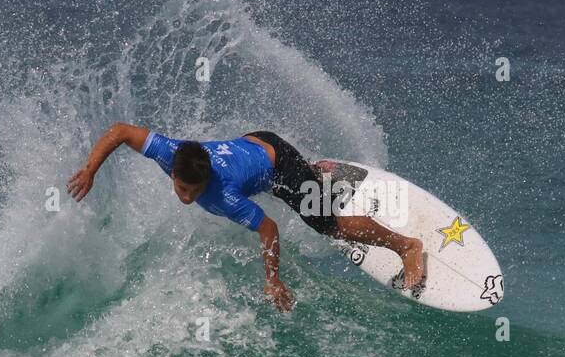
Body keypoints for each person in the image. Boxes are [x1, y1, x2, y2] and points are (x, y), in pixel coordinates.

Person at [67, 124, 425, 310]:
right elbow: (119, 131)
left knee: (327, 225)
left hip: (277, 164)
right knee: (290, 187)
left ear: (206, 180)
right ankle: (314, 175)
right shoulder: (169, 152)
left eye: (195, 191)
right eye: (183, 189)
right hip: (254, 141)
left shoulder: (224, 195)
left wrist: (273, 279)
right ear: (173, 172)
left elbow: (268, 229)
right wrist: (89, 171)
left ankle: (406, 247)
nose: (188, 198)